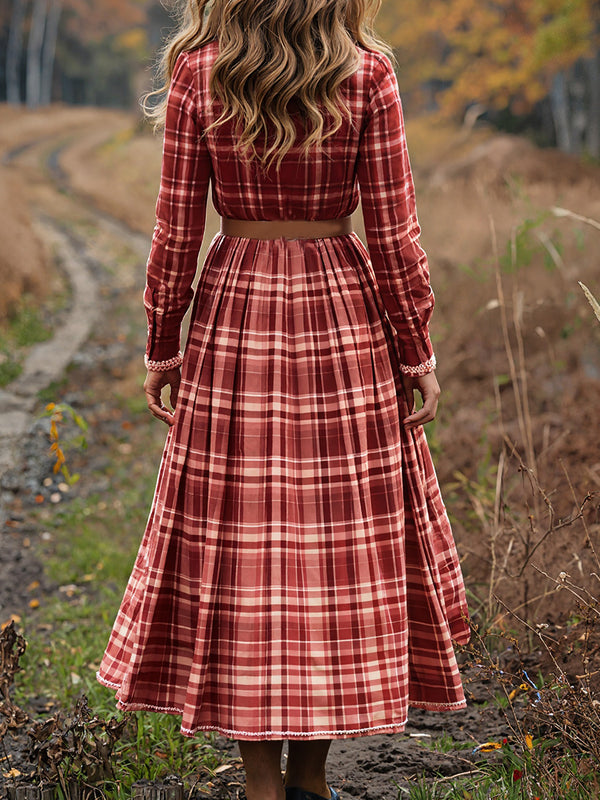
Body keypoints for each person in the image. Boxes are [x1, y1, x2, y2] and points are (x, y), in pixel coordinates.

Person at [97, 0, 471, 798]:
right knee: (332, 556)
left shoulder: (200, 73)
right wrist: (417, 349)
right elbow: (397, 235)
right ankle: (311, 780)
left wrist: (162, 340)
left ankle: (262, 784)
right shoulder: (367, 73)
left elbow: (175, 231)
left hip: (236, 314)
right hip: (342, 318)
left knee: (242, 553)